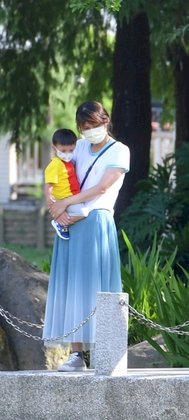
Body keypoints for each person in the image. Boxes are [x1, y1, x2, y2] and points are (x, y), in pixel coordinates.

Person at [44, 101, 130, 371]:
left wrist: (65, 203)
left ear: (106, 121)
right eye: (84, 127)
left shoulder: (120, 150)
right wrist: (55, 207)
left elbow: (103, 187)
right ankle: (76, 354)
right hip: (70, 221)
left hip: (95, 221)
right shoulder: (78, 146)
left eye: (93, 125)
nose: (89, 131)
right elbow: (56, 171)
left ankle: (107, 350)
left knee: (97, 285)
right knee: (73, 287)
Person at [44, 128, 81, 241]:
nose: (67, 154)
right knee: (84, 213)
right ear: (54, 148)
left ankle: (63, 224)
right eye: (63, 151)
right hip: (64, 197)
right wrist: (49, 199)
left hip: (72, 196)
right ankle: (59, 222)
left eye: (71, 150)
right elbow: (49, 184)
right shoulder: (55, 164)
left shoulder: (69, 162)